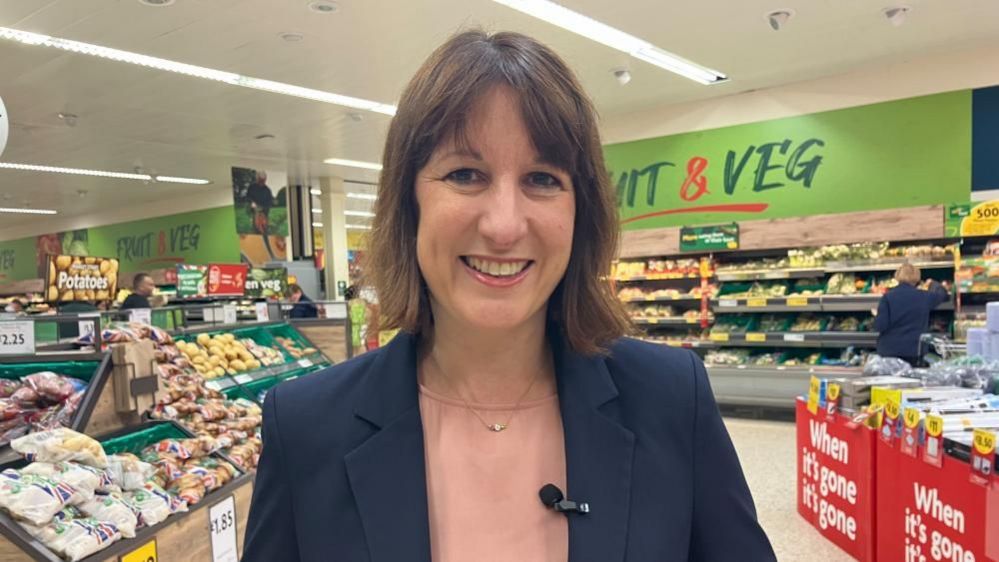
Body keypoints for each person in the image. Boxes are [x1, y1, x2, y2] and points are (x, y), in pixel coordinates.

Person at [243, 30, 775, 562]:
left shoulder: (671, 400)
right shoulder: (306, 425)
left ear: (578, 213)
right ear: (409, 204)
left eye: (542, 179)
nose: (503, 225)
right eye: (465, 174)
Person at [873, 263, 949, 366]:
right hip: (914, 351)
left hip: (888, 351)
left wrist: (876, 315)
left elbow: (880, 326)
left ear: (897, 276)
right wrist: (933, 284)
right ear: (917, 278)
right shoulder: (924, 297)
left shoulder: (887, 297)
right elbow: (942, 294)